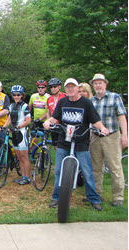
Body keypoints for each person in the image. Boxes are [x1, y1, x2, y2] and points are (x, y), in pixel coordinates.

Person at [43, 78, 109, 211]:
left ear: (78, 88)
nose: (70, 89)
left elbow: (95, 119)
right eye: (68, 87)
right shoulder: (62, 101)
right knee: (58, 171)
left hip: (81, 141)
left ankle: (93, 199)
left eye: (73, 87)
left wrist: (103, 128)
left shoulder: (86, 103)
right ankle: (57, 197)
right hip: (64, 141)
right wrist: (48, 122)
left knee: (87, 171)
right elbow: (55, 117)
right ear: (65, 89)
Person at [89, 73, 128, 207]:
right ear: (93, 85)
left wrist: (124, 135)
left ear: (105, 84)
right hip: (95, 137)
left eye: (100, 83)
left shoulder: (114, 97)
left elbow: (122, 116)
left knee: (114, 167)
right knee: (96, 168)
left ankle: (118, 197)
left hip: (111, 136)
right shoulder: (91, 100)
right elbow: (90, 121)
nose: (98, 85)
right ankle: (97, 194)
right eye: (95, 83)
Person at [0, 85, 32, 185]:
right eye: (14, 95)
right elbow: (9, 119)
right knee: (19, 157)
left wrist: (18, 127)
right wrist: (4, 127)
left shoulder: (25, 106)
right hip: (15, 134)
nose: (16, 96)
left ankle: (27, 177)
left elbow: (28, 121)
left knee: (24, 157)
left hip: (22, 133)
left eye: (18, 95)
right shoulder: (11, 106)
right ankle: (23, 176)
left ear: (22, 95)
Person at [46, 78, 67, 149]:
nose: (53, 88)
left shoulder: (65, 96)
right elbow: (48, 112)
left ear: (59, 87)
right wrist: (48, 122)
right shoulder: (49, 99)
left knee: (65, 146)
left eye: (55, 86)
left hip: (63, 125)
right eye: (51, 87)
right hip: (54, 125)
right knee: (56, 146)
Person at [29, 80, 50, 147]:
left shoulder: (48, 97)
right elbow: (29, 108)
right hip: (35, 121)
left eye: (42, 88)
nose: (40, 89)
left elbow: (49, 111)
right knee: (33, 140)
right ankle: (34, 155)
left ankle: (44, 155)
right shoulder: (33, 96)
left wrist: (41, 118)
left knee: (44, 141)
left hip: (45, 122)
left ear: (45, 88)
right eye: (39, 87)